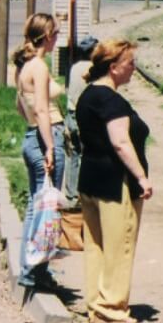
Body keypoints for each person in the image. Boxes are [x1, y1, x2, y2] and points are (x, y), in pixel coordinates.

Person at [77, 38, 152, 323]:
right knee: (120, 246)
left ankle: (96, 303)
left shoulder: (88, 96)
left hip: (90, 180)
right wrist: (141, 178)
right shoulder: (111, 101)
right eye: (130, 63)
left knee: (97, 245)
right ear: (113, 67)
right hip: (114, 184)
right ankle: (111, 309)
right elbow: (120, 143)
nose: (134, 68)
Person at [13, 13, 66, 289]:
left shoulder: (23, 67)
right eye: (56, 33)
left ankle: (31, 268)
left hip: (31, 136)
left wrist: (34, 129)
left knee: (37, 205)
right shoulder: (40, 66)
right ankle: (35, 271)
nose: (58, 38)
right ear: (47, 36)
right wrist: (49, 146)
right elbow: (43, 109)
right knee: (47, 205)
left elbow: (19, 105)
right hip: (47, 136)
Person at [63, 35, 98, 209]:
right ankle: (85, 193)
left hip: (70, 114)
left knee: (73, 154)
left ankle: (71, 194)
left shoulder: (74, 67)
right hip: (84, 116)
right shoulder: (94, 68)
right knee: (87, 154)